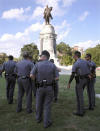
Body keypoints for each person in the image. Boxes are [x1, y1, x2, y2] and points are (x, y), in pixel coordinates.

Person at [30, 50, 59, 128]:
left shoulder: (37, 64)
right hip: (49, 87)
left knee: (38, 104)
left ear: (44, 56)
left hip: (40, 87)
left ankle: (38, 119)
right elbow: (57, 78)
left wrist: (36, 80)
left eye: (41, 56)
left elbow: (31, 75)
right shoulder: (52, 65)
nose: (40, 57)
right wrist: (51, 80)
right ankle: (47, 122)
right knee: (47, 105)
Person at [67, 51, 92, 116]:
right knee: (80, 95)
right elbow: (91, 67)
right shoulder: (85, 61)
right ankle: (80, 110)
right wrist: (89, 74)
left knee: (79, 96)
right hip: (86, 80)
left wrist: (69, 83)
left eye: (73, 55)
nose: (73, 56)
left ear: (75, 56)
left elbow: (73, 74)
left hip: (80, 80)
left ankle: (80, 112)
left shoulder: (76, 63)